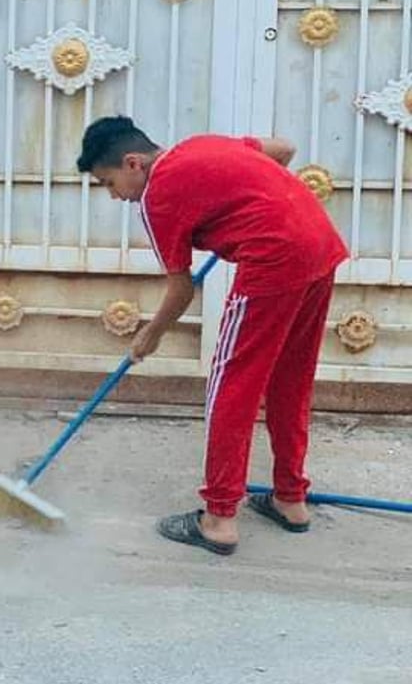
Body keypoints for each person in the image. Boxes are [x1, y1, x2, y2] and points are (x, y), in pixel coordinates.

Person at [76, 116, 348, 556]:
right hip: (319, 244)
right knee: (289, 379)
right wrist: (254, 205)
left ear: (133, 163)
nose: (115, 195)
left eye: (109, 183)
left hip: (274, 259)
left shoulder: (156, 196)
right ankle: (290, 499)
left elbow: (181, 289)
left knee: (231, 385)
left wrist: (151, 335)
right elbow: (283, 148)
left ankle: (219, 519)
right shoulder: (201, 144)